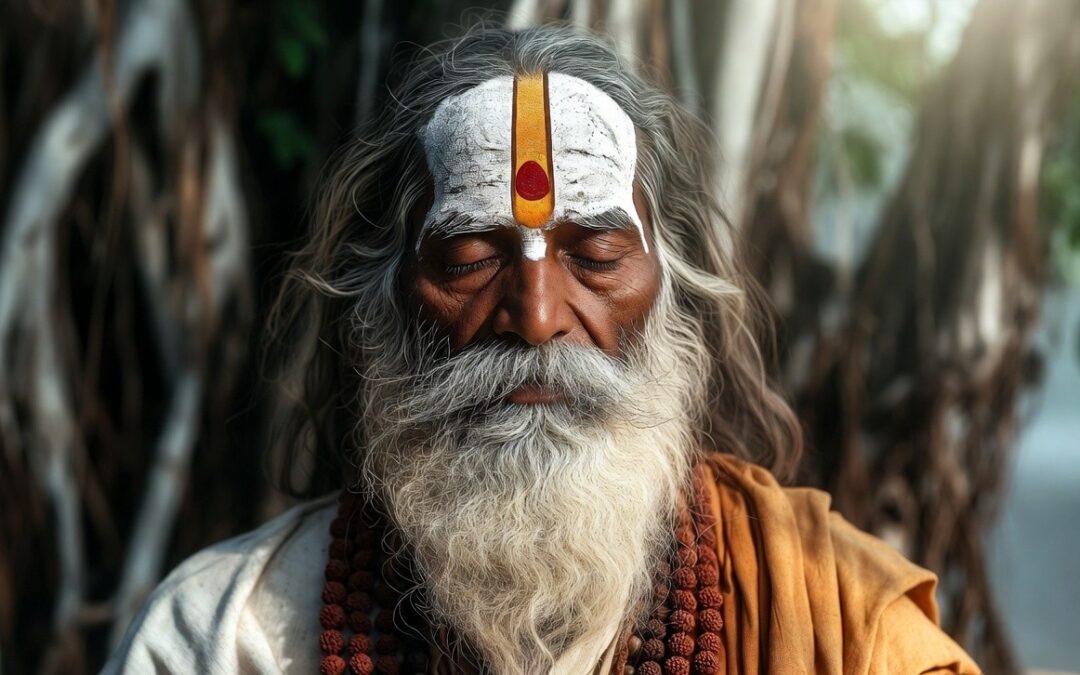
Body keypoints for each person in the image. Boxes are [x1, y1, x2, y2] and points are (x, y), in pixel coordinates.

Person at [104, 25, 980, 675]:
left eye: (596, 257)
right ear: (383, 305)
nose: (535, 314)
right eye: (470, 260)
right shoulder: (222, 636)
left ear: (673, 296)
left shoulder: (846, 619)